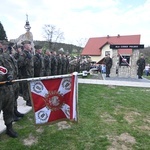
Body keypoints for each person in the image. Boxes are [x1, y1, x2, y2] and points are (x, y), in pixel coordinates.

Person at [0, 41, 18, 138]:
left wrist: (10, 77)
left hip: (7, 88)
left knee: (9, 110)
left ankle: (9, 128)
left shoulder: (3, 57)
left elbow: (9, 69)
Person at [17, 40, 34, 106]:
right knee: (26, 88)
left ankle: (30, 99)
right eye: (29, 45)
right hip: (25, 74)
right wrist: (27, 59)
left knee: (30, 88)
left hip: (30, 74)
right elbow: (19, 64)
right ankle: (28, 100)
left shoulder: (29, 53)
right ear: (25, 46)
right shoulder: (23, 54)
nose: (30, 46)